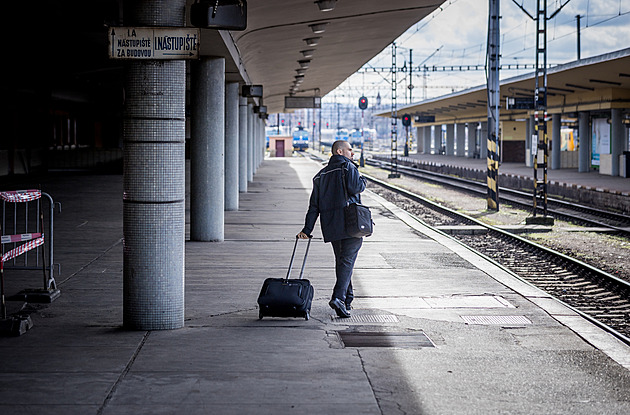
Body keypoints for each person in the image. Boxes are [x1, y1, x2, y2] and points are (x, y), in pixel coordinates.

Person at [297, 140, 367, 318]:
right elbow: (356, 187)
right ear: (339, 151)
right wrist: (363, 179)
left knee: (343, 261)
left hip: (331, 226)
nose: (352, 153)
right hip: (351, 223)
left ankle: (347, 300)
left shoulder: (320, 175)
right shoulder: (347, 167)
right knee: (347, 261)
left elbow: (314, 207)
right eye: (349, 150)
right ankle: (338, 298)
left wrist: (307, 229)